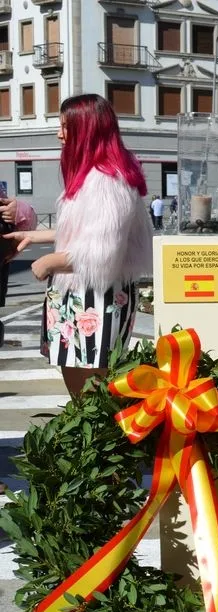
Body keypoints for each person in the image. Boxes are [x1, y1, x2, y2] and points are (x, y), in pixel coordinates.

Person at [3, 94, 152, 397]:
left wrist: (49, 262)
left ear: (87, 129)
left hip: (96, 295)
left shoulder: (107, 181)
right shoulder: (97, 175)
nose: (59, 134)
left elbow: (103, 252)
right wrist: (35, 237)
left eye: (65, 127)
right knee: (82, 387)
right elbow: (87, 233)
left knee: (93, 392)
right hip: (83, 293)